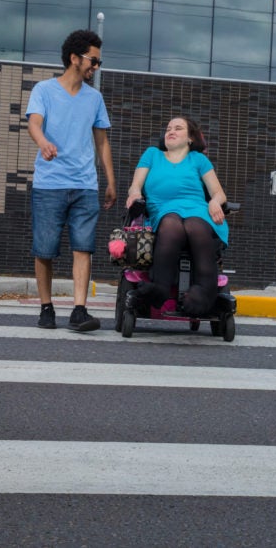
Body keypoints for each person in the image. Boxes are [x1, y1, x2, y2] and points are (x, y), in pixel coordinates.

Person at [26, 29, 116, 331]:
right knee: (44, 250)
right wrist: (43, 142)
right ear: (75, 58)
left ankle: (79, 310)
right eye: (94, 60)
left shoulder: (95, 98)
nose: (96, 67)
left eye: (99, 62)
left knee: (83, 247)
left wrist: (110, 181)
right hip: (49, 184)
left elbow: (102, 141)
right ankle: (46, 308)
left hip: (85, 185)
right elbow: (34, 123)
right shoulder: (44, 90)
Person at [124, 116, 229, 316]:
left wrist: (215, 202)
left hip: (197, 209)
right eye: (168, 129)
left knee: (195, 225)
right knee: (171, 222)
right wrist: (135, 193)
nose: (171, 131)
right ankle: (161, 288)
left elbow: (218, 193)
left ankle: (205, 290)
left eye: (178, 128)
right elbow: (136, 185)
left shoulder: (198, 159)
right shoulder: (152, 154)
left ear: (190, 138)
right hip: (162, 208)